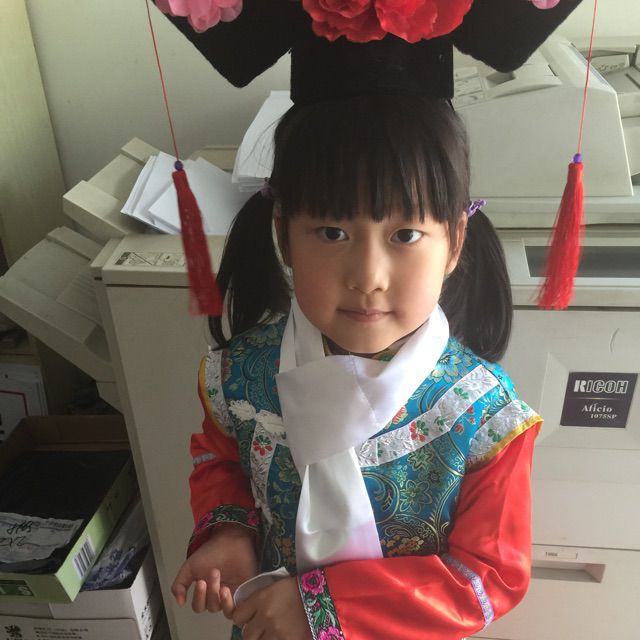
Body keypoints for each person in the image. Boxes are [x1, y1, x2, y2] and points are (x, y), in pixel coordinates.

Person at [170, 95, 542, 640]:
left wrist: (320, 609)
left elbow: (488, 577)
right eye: (332, 233)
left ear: (454, 242)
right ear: (284, 236)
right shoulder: (239, 376)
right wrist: (230, 534)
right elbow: (219, 459)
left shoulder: (485, 414)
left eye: (405, 235)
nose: (368, 276)